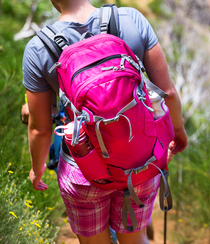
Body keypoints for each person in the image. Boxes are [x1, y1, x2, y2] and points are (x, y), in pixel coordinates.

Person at [22, 0, 188, 243]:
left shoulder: (39, 48)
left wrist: (36, 170)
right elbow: (167, 93)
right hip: (140, 160)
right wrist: (178, 133)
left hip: (84, 170)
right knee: (136, 238)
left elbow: (41, 129)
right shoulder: (131, 20)